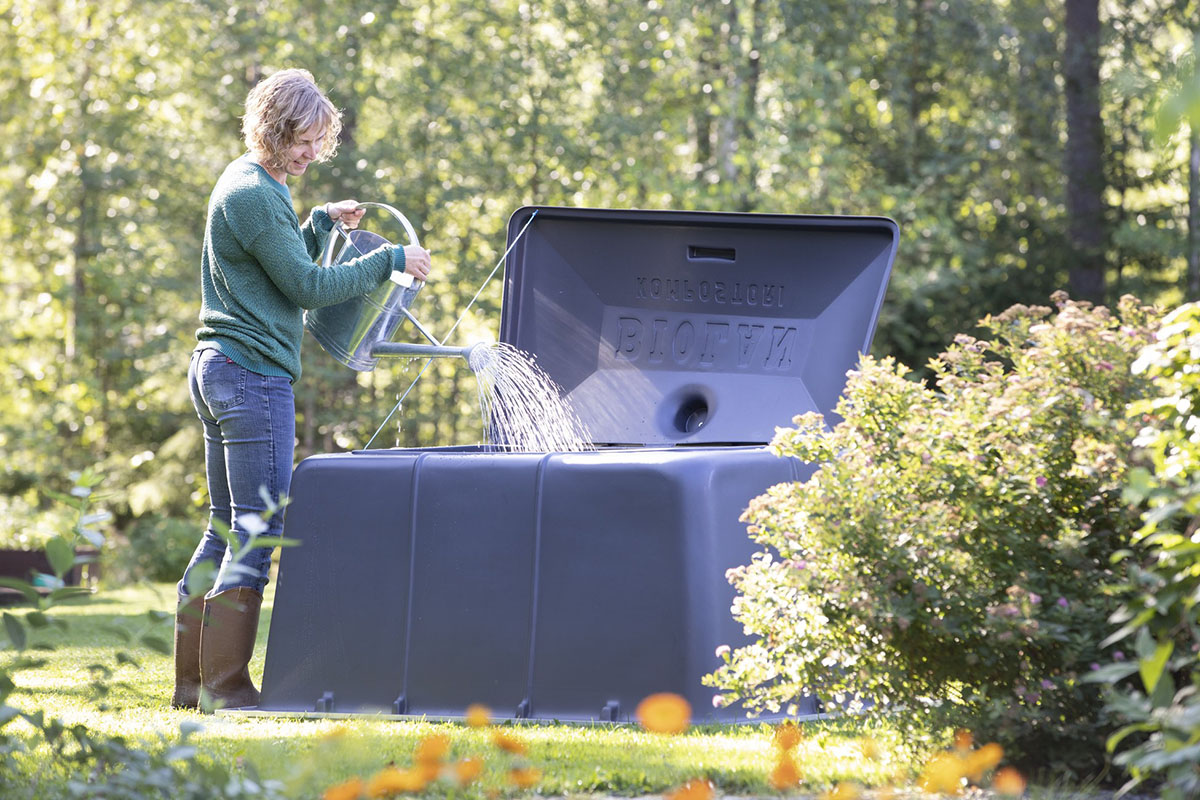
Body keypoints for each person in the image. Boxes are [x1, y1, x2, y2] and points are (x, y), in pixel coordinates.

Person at [172, 68, 431, 711]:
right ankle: (227, 689)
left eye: (319, 141)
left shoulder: (252, 183)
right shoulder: (255, 195)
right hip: (251, 375)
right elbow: (307, 289)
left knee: (224, 527)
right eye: (302, 141)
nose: (312, 154)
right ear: (272, 128)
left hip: (221, 368)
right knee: (256, 529)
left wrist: (317, 222)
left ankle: (192, 685)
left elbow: (277, 264)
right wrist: (390, 260)